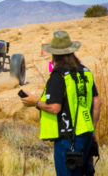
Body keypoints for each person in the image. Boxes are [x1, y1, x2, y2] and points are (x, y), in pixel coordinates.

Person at [21, 31, 101, 176]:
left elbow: (54, 108)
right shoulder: (85, 72)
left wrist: (35, 102)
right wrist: (93, 129)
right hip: (87, 135)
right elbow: (97, 101)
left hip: (67, 140)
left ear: (55, 54)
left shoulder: (58, 76)